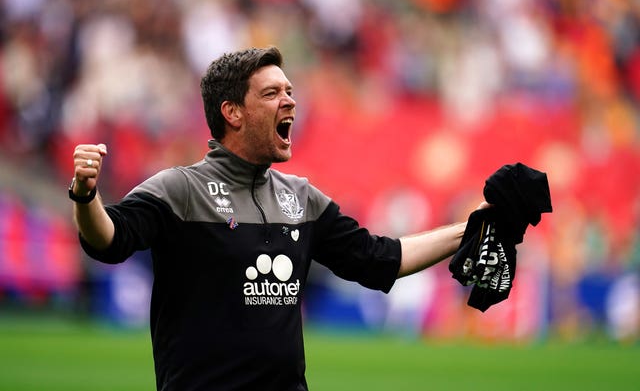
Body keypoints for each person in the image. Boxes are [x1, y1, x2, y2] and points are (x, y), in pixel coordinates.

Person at [70, 46, 487, 391]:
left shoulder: (302, 198)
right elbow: (109, 239)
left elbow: (379, 258)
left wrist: (475, 226)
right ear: (232, 112)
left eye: (289, 91)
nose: (290, 100)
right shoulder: (179, 190)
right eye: (271, 94)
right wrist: (86, 195)